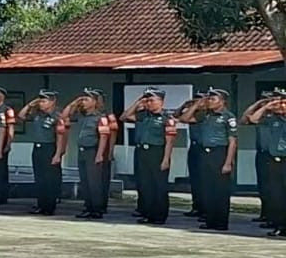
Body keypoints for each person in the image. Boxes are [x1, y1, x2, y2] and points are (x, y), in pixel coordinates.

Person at [178, 89, 239, 232]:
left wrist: (228, 162)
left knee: (220, 191)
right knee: (208, 189)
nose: (210, 101)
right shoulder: (204, 115)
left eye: (213, 99)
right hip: (205, 154)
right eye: (209, 99)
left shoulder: (227, 117)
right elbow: (184, 119)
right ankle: (210, 220)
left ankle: (221, 222)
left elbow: (232, 141)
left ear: (222, 101)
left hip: (219, 153)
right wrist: (197, 104)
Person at [122, 89, 178, 226]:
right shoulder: (143, 116)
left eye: (152, 100)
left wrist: (166, 159)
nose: (149, 103)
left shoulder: (167, 119)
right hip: (142, 152)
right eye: (147, 100)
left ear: (161, 102)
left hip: (157, 152)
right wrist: (137, 102)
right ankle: (148, 214)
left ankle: (159, 216)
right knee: (145, 185)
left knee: (159, 186)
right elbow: (124, 117)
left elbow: (170, 142)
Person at [58, 89, 114, 220]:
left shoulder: (100, 118)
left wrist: (100, 154)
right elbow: (64, 116)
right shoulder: (82, 115)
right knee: (85, 181)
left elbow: (104, 137)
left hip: (93, 151)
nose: (83, 101)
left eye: (86, 99)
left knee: (94, 182)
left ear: (94, 102)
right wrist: (74, 103)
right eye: (83, 99)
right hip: (82, 150)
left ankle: (97, 209)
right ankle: (88, 207)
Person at [243, 91, 286, 231]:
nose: (280, 105)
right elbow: (252, 119)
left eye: (283, 102)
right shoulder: (272, 118)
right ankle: (278, 224)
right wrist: (266, 106)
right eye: (279, 103)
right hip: (274, 160)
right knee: (276, 194)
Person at [16, 92, 62, 215]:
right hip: (37, 148)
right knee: (39, 178)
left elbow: (60, 137)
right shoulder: (37, 114)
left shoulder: (57, 116)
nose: (41, 104)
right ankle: (41, 204)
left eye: (44, 101)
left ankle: (49, 207)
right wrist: (31, 104)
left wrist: (58, 154)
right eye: (40, 101)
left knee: (49, 179)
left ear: (52, 102)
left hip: (49, 148)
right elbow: (20, 116)